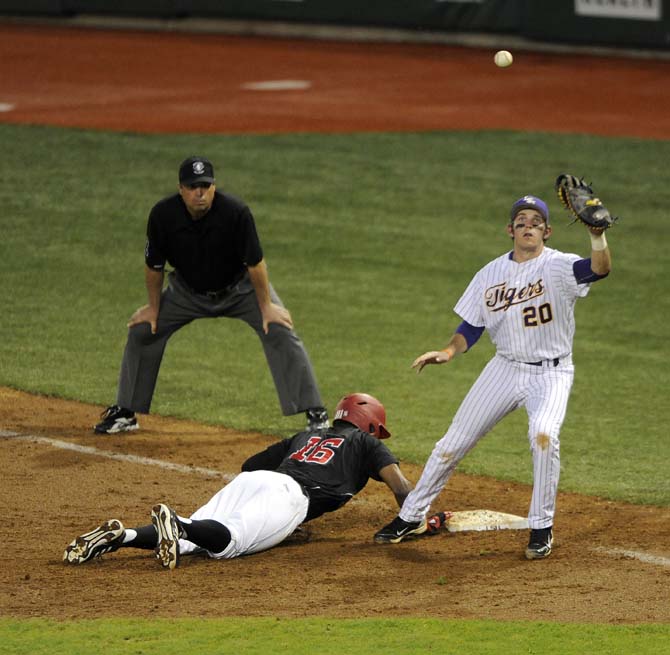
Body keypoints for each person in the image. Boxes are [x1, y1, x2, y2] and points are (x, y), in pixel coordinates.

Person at [374, 194, 612, 559]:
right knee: (450, 445)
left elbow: (599, 269)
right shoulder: (490, 274)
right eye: (521, 221)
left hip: (552, 374)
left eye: (535, 221)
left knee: (543, 436)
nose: (528, 225)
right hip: (504, 368)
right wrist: (449, 351)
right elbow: (471, 326)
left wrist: (597, 236)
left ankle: (541, 527)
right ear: (510, 231)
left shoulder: (559, 266)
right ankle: (411, 516)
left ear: (547, 231)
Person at [94, 156, 328, 435]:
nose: (200, 192)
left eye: (205, 185)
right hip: (186, 294)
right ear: (181, 189)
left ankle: (315, 413)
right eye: (193, 186)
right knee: (143, 330)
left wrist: (266, 306)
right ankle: (126, 411)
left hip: (240, 290)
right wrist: (153, 308)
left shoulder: (236, 213)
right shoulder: (162, 216)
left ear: (214, 187)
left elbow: (255, 264)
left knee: (279, 327)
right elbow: (153, 266)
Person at [66, 393, 413, 569]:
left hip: (257, 481)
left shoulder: (305, 436)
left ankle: (121, 536)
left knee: (192, 536)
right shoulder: (367, 444)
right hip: (291, 497)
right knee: (229, 543)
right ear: (369, 426)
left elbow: (250, 464)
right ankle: (178, 525)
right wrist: (416, 520)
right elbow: (401, 488)